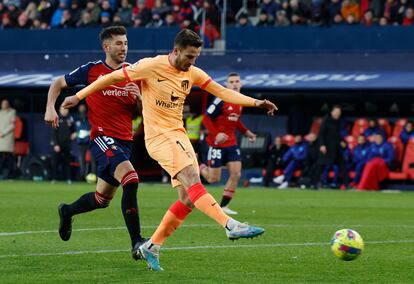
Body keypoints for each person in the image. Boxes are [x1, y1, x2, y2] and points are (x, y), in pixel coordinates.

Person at [61, 29, 277, 271]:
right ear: (176, 51)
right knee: (192, 179)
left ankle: (151, 245)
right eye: (189, 57)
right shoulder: (150, 66)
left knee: (187, 198)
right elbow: (109, 79)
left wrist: (256, 102)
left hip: (179, 136)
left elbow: (222, 91)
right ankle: (230, 226)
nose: (192, 62)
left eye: (195, 58)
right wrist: (78, 96)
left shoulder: (192, 72)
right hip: (158, 138)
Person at [44, 26, 146, 261]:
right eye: (119, 43)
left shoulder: (134, 74)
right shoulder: (92, 71)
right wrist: (50, 107)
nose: (124, 48)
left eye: (126, 43)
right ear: (106, 47)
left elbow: (144, 114)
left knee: (102, 199)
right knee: (131, 179)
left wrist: (139, 99)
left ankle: (67, 210)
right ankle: (137, 242)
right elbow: (58, 83)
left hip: (125, 141)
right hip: (101, 138)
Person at [199, 72, 257, 214]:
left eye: (237, 81)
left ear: (241, 84)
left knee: (236, 173)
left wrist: (247, 132)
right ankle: (199, 166)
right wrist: (216, 134)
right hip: (217, 144)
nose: (235, 84)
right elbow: (206, 118)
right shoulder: (221, 99)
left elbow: (234, 120)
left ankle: (224, 206)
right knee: (213, 179)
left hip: (231, 143)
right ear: (226, 85)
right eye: (231, 82)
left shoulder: (240, 101)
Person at [310, 105, 349, 189]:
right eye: (336, 112)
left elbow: (337, 135)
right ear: (331, 112)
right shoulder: (326, 120)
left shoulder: (339, 122)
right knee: (321, 166)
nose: (337, 114)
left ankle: (346, 184)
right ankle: (313, 183)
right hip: (327, 148)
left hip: (336, 147)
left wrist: (342, 141)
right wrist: (322, 145)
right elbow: (321, 134)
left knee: (343, 165)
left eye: (339, 112)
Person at [50, 105, 75, 183]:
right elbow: (54, 133)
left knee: (67, 162)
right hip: (58, 144)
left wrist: (74, 134)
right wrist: (55, 144)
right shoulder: (56, 119)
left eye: (66, 109)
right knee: (55, 162)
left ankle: (68, 179)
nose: (65, 111)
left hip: (67, 144)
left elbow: (73, 131)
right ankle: (54, 178)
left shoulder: (70, 119)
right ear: (60, 110)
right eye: (63, 109)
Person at [74, 103, 96, 180]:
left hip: (90, 141)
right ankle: (82, 176)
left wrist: (90, 132)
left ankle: (94, 175)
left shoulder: (90, 118)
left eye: (83, 108)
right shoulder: (76, 119)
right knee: (81, 159)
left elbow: (94, 128)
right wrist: (75, 134)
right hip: (80, 142)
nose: (82, 109)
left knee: (93, 159)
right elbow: (73, 131)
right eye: (80, 108)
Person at [0, 99, 16, 179]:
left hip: (7, 137)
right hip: (0, 138)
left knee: (9, 156)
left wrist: (3, 133)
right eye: (3, 103)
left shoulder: (12, 112)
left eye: (6, 103)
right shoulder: (0, 113)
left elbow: (12, 125)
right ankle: (1, 173)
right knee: (1, 157)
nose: (4, 105)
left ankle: (10, 175)